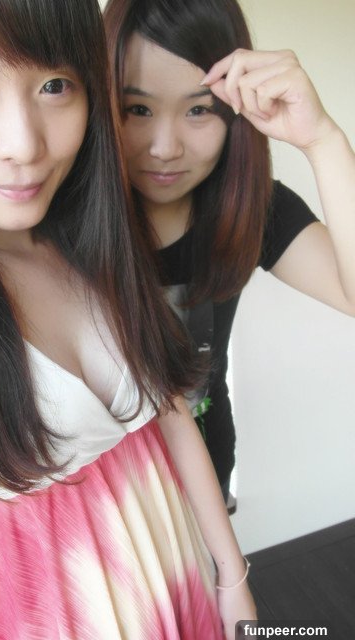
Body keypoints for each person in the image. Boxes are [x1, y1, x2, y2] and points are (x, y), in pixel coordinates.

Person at [0, 0, 257, 638]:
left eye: (54, 85)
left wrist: (232, 578)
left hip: (185, 582)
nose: (25, 144)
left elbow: (167, 415)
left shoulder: (92, 243)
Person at [103, 0, 355, 502]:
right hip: (104, 499)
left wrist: (322, 139)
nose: (165, 147)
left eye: (199, 110)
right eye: (138, 109)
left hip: (208, 469)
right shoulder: (64, 217)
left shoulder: (254, 209)